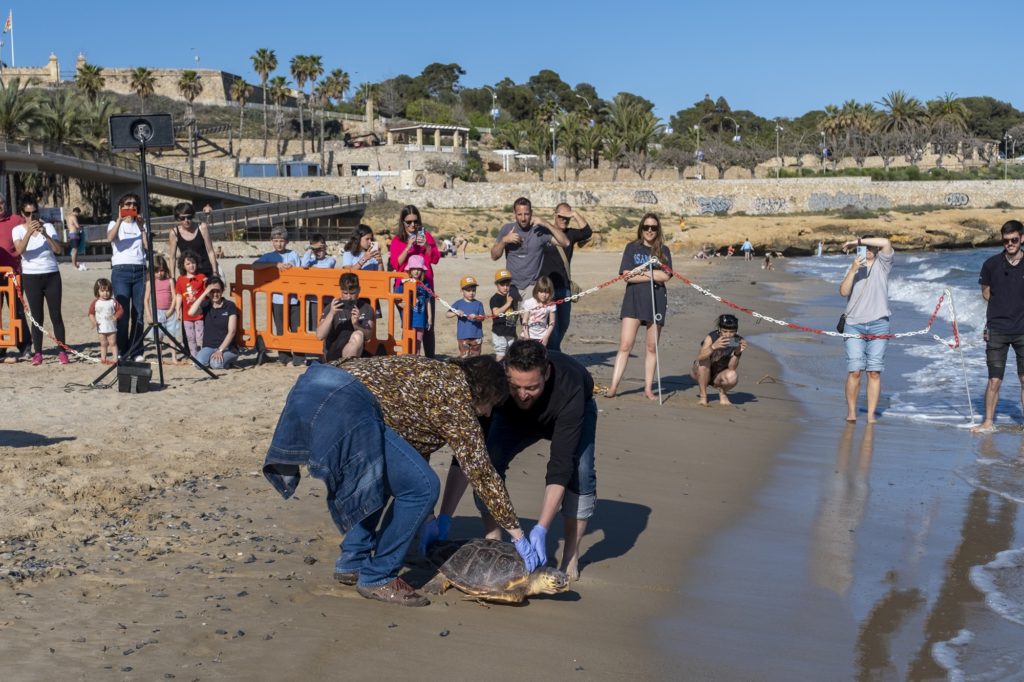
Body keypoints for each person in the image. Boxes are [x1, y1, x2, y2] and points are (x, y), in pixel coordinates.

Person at [264, 354, 540, 606]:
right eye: (491, 404)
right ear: (483, 391)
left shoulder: (436, 372)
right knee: (425, 488)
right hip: (343, 402)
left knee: (385, 477)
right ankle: (378, 577)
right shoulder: (456, 398)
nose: (488, 413)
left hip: (312, 386)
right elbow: (481, 471)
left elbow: (410, 455)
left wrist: (430, 518)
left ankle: (353, 561)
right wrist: (518, 535)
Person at [437, 339, 597, 581]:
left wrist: (541, 528)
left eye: (531, 387)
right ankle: (493, 538)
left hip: (568, 413)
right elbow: (468, 454)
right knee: (489, 460)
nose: (522, 395)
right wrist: (445, 517)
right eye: (515, 386)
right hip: (513, 420)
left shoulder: (570, 385)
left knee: (581, 472)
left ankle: (570, 555)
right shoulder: (495, 383)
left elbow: (560, 465)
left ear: (547, 373)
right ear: (505, 374)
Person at [606, 213, 673, 400]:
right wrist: (653, 273)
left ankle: (648, 389)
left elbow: (666, 276)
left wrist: (644, 274)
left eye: (653, 227)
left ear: (658, 230)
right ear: (641, 229)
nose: (650, 231)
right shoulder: (631, 247)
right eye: (646, 227)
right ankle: (613, 387)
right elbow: (626, 275)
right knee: (625, 344)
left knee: (652, 347)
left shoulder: (664, 250)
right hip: (633, 300)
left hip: (657, 300)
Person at [974, 220, 1024, 432]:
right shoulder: (991, 264)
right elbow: (986, 292)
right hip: (997, 329)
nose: (1010, 244)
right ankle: (988, 422)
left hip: (1023, 330)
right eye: (1006, 240)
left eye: (1014, 239)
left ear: (1022, 239)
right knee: (994, 379)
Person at [839, 234, 894, 423]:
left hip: (879, 323)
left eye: (871, 247)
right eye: (865, 248)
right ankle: (852, 412)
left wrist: (857, 241)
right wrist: (853, 269)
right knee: (855, 370)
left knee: (874, 371)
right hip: (854, 324)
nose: (868, 250)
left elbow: (886, 242)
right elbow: (843, 292)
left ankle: (871, 415)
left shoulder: (883, 264)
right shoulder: (854, 267)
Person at [12, 196, 68, 365]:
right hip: (31, 277)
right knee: (37, 317)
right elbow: (19, 251)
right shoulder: (18, 230)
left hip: (51, 275)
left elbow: (58, 250)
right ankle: (38, 353)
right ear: (23, 213)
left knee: (56, 315)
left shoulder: (48, 226)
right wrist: (29, 232)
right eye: (28, 214)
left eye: (34, 213)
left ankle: (62, 351)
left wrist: (45, 234)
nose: (32, 217)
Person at [490, 197, 570, 299]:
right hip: (512, 286)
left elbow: (566, 243)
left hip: (532, 287)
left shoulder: (540, 231)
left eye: (526, 214)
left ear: (531, 213)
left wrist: (546, 224)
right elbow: (494, 256)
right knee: (514, 315)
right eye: (519, 214)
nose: (523, 218)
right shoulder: (507, 229)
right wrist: (504, 241)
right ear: (514, 213)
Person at [538, 203, 592, 351]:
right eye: (561, 216)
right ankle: (554, 356)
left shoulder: (571, 234)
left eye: (567, 218)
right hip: (546, 290)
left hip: (564, 287)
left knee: (564, 324)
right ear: (555, 214)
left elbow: (587, 232)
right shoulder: (543, 232)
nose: (564, 220)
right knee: (552, 326)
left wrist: (574, 214)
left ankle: (550, 351)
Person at [389, 206, 440, 356]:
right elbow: (396, 263)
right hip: (404, 288)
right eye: (408, 222)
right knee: (408, 326)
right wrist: (408, 246)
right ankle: (410, 359)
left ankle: (431, 360)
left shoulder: (427, 237)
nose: (412, 225)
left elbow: (435, 259)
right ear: (402, 222)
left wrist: (425, 245)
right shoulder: (397, 240)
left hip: (425, 287)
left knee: (427, 326)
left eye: (415, 222)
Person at [253, 227, 303, 366]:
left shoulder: (294, 254)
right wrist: (275, 265)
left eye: (281, 241)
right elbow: (255, 266)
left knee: (297, 327)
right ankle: (285, 358)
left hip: (294, 299)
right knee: (281, 329)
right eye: (276, 241)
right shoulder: (269, 256)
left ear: (287, 241)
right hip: (277, 300)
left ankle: (299, 358)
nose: (279, 244)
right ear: (272, 242)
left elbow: (300, 272)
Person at [108, 193, 148, 360]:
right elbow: (110, 238)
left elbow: (147, 246)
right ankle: (122, 350)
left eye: (134, 204)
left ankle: (136, 350)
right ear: (121, 206)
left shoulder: (141, 225)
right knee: (122, 313)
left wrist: (141, 227)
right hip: (121, 270)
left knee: (138, 313)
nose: (130, 207)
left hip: (139, 269)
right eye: (127, 204)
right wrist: (119, 220)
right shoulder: (114, 223)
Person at [691, 314, 748, 406]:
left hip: (719, 376)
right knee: (704, 361)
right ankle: (703, 396)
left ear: (736, 331)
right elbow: (699, 358)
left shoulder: (736, 340)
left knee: (732, 376)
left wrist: (737, 353)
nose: (728, 335)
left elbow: (732, 367)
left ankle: (723, 393)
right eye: (725, 331)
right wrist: (713, 347)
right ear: (719, 329)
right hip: (700, 372)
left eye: (732, 332)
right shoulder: (712, 337)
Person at [316, 272, 374, 362]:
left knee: (358, 335)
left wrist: (356, 325)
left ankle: (347, 369)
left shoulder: (366, 308)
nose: (348, 297)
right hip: (333, 352)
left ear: (359, 290)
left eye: (352, 293)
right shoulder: (333, 307)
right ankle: (345, 369)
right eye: (345, 293)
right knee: (357, 336)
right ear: (340, 291)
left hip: (355, 351)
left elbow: (369, 336)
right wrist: (331, 314)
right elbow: (320, 336)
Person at [0, 192, 28, 363]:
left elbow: (31, 232)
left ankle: (24, 346)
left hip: (14, 274)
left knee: (17, 310)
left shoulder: (16, 220)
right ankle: (1, 347)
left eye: (1, 202)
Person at [188, 276, 239, 369]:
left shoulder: (230, 306)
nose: (215, 294)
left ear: (222, 290)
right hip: (209, 346)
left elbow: (232, 331)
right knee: (198, 364)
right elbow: (191, 312)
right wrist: (204, 293)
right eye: (212, 291)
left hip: (227, 348)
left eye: (218, 291)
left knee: (216, 365)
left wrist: (220, 350)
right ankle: (212, 359)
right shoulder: (206, 304)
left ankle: (228, 361)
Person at [168, 202, 218, 279]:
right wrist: (172, 278)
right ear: (178, 218)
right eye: (182, 218)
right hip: (188, 273)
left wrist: (215, 272)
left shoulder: (202, 228)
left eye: (189, 217)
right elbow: (172, 257)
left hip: (205, 270)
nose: (186, 220)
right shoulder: (174, 233)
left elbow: (210, 251)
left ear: (193, 216)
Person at [144, 254, 178, 363]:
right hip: (157, 312)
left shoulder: (170, 281)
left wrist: (171, 310)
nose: (160, 273)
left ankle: (174, 357)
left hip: (170, 313)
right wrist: (149, 315)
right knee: (159, 337)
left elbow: (174, 296)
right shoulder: (150, 283)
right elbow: (146, 299)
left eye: (162, 270)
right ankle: (160, 358)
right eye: (157, 271)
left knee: (173, 336)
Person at [175, 252, 207, 358]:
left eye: (193, 263)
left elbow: (207, 294)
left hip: (199, 314)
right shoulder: (180, 279)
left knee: (200, 336)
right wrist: (177, 311)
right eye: (188, 264)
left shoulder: (201, 277)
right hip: (187, 316)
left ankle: (202, 356)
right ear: (183, 266)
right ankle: (194, 356)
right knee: (190, 337)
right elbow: (179, 295)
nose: (191, 265)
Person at [447, 275, 484, 357]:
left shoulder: (478, 304)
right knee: (464, 356)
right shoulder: (458, 303)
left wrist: (476, 317)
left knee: (476, 356)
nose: (471, 293)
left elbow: (482, 318)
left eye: (473, 290)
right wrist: (455, 312)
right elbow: (447, 314)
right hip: (463, 336)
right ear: (462, 291)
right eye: (468, 290)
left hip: (476, 335)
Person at [88, 278, 122, 365]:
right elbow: (91, 313)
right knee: (103, 344)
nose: (105, 293)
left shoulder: (113, 301)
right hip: (101, 328)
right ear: (97, 291)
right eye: (102, 291)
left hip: (112, 327)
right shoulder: (96, 302)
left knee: (113, 343)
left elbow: (120, 310)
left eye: (107, 291)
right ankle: (103, 358)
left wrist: (116, 316)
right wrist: (93, 322)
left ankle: (115, 359)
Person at [490, 268, 519, 361]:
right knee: (501, 355)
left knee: (509, 354)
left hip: (510, 332)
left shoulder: (510, 298)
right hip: (500, 333)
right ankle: (497, 370)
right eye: (502, 285)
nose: (505, 287)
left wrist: (514, 333)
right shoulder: (495, 298)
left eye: (507, 285)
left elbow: (512, 315)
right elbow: (496, 312)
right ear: (496, 285)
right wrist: (507, 304)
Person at [405, 255, 431, 355]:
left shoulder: (425, 284)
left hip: (421, 320)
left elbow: (427, 301)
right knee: (408, 343)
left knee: (418, 344)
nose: (416, 271)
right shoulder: (405, 283)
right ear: (410, 270)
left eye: (419, 269)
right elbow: (398, 298)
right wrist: (402, 304)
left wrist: (430, 318)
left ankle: (417, 360)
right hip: (409, 320)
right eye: (414, 269)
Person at [520, 276, 557, 346]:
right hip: (527, 335)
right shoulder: (529, 302)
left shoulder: (551, 304)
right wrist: (527, 337)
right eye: (541, 292)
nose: (544, 295)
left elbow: (552, 323)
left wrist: (546, 337)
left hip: (541, 337)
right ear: (536, 291)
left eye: (547, 292)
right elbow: (524, 321)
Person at [66, 207, 85, 271]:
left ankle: (74, 264)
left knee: (73, 250)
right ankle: (74, 265)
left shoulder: (68, 217)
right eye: (78, 214)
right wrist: (81, 228)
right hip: (74, 234)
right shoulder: (74, 217)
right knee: (75, 250)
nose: (78, 215)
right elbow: (77, 226)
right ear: (77, 212)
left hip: (70, 234)